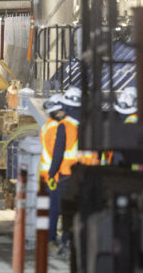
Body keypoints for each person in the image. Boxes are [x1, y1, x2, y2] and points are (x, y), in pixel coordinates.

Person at [40, 95, 80, 251]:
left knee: (54, 209)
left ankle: (51, 238)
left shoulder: (48, 126)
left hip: (51, 174)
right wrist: (53, 174)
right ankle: (52, 239)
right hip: (56, 176)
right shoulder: (55, 129)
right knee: (57, 209)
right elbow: (57, 153)